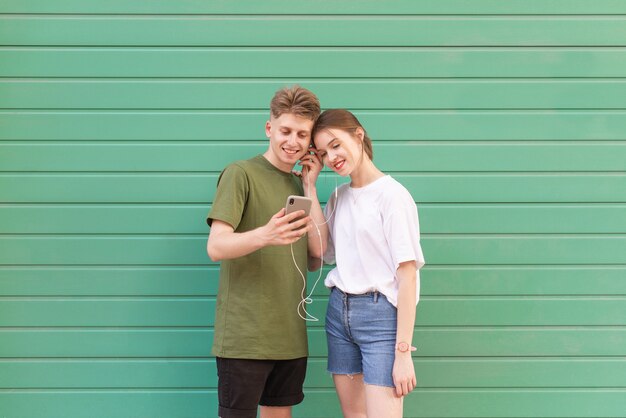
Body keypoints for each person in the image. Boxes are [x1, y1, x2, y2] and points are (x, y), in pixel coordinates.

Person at [206, 85, 328, 418]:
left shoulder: (299, 187)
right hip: (245, 338)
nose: (293, 141)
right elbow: (216, 246)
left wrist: (310, 186)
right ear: (269, 128)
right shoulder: (240, 174)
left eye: (302, 134)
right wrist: (265, 234)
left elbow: (319, 251)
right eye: (285, 130)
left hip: (289, 335)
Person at [310, 109, 425, 417]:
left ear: (358, 134)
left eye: (335, 144)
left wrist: (403, 353)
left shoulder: (392, 196)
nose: (331, 157)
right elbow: (323, 252)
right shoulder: (338, 197)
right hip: (339, 313)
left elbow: (408, 275)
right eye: (322, 153)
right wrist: (309, 187)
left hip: (380, 318)